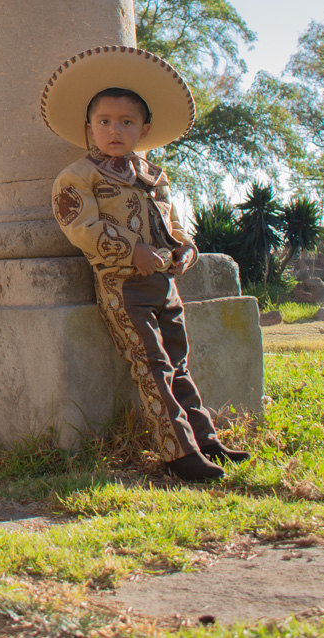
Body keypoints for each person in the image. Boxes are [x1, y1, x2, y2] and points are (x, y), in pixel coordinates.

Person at [40, 45, 249, 482]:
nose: (114, 130)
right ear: (89, 127)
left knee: (179, 363)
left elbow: (173, 225)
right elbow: (80, 225)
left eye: (126, 122)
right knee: (151, 363)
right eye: (104, 122)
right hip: (122, 285)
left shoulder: (154, 175)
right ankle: (178, 453)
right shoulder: (79, 176)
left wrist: (185, 250)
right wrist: (131, 250)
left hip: (164, 286)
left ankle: (206, 439)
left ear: (144, 128)